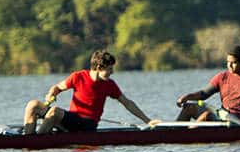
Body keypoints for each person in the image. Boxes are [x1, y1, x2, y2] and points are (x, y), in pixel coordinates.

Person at [24, 49, 155, 133]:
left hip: (87, 125)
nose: (112, 72)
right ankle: (28, 139)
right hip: (72, 120)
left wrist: (147, 121)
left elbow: (128, 103)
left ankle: (38, 140)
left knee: (55, 111)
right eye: (109, 69)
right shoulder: (78, 76)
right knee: (33, 105)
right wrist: (51, 94)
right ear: (98, 67)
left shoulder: (109, 85)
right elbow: (57, 87)